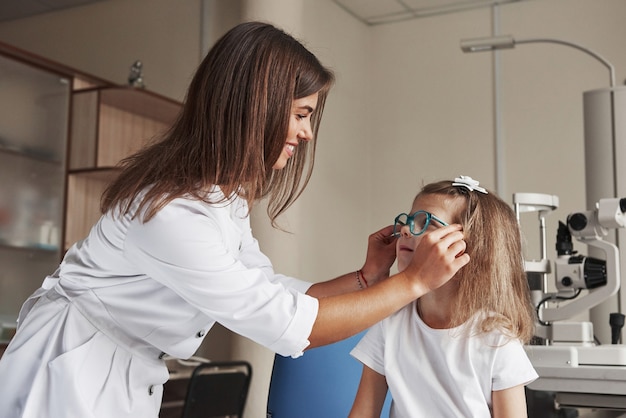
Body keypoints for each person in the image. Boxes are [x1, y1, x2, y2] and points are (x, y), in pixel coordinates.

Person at [0, 22, 470, 417]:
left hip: (119, 367)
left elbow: (265, 289)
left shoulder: (220, 198)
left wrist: (366, 278)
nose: (307, 132)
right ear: (258, 106)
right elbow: (290, 326)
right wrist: (412, 283)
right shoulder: (172, 213)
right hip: (69, 373)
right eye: (302, 114)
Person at [349, 176, 538, 418]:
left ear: (471, 248)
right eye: (408, 220)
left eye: (426, 223)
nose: (406, 229)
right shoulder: (390, 322)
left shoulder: (496, 338)